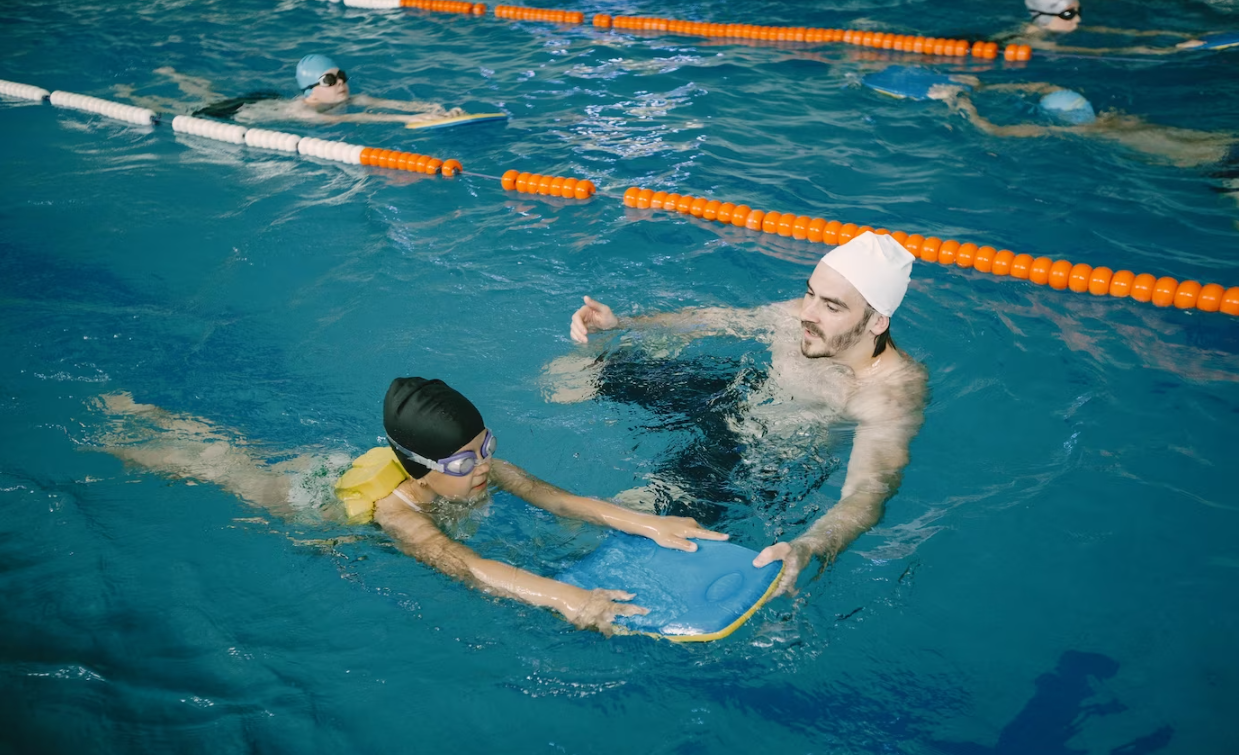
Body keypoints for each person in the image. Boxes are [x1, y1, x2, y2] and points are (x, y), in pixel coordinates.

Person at [93, 377, 726, 635]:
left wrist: (650, 522)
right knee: (223, 467)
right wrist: (566, 598)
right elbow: (466, 565)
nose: (481, 468)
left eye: (485, 449)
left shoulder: (482, 467)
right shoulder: (398, 515)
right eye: (462, 462)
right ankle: (132, 426)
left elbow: (557, 498)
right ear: (422, 465)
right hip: (304, 499)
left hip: (366, 464)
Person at [557, 232, 929, 598]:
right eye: (809, 293)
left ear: (877, 322)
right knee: (569, 376)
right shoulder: (801, 315)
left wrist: (809, 546)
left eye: (832, 307)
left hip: (754, 455)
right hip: (735, 393)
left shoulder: (887, 394)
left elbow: (867, 491)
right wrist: (623, 323)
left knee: (617, 521)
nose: (808, 314)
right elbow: (714, 319)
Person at [928, 77, 1237, 170]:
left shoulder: (1073, 130)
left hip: (1214, 165)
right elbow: (1045, 86)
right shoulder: (1115, 117)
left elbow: (994, 130)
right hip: (1223, 142)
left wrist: (962, 101)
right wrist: (983, 87)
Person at [186, 53, 465, 125]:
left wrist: (432, 110)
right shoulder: (304, 111)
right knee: (199, 105)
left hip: (269, 98)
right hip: (242, 113)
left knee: (209, 92)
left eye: (341, 76)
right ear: (312, 90)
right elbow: (351, 118)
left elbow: (384, 102)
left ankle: (181, 77)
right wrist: (405, 120)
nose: (341, 83)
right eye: (329, 80)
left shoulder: (349, 96)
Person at [1004, 0, 1205, 54]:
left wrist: (1180, 34)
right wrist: (1167, 51)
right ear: (1044, 15)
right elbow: (1099, 52)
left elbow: (1118, 33)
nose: (1078, 20)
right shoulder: (1037, 42)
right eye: (1069, 15)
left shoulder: (1051, 27)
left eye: (1078, 12)